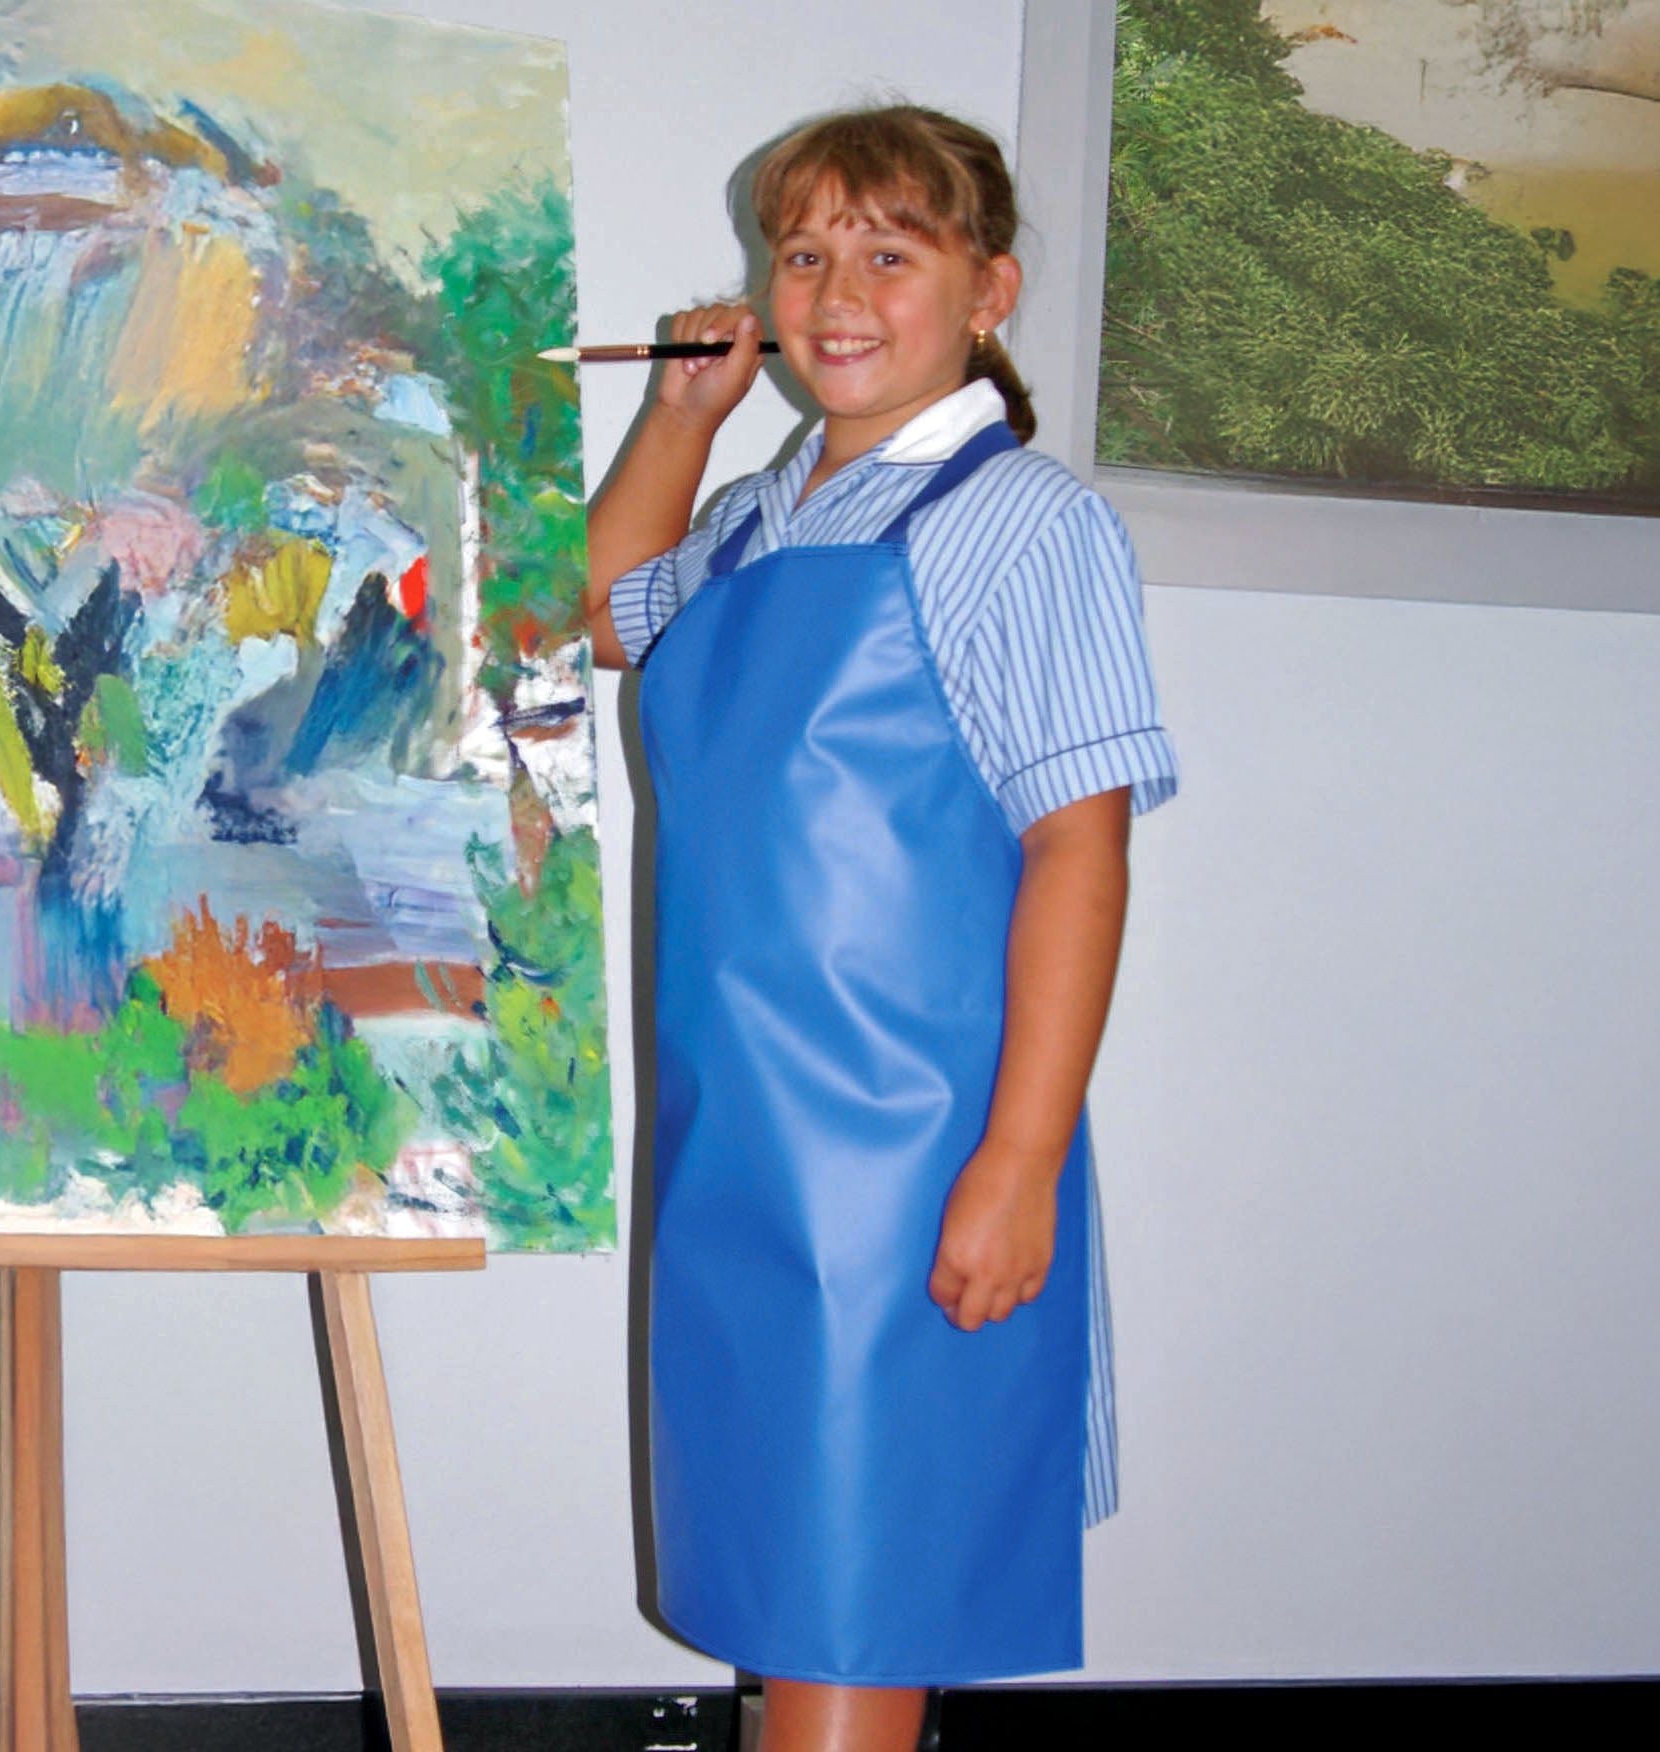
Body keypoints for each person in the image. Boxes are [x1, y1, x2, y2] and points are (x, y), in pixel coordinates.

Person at [584, 105, 1177, 1752]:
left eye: (889, 253)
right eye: (804, 255)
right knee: (787, 1580)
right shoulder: (765, 518)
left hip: (906, 1159)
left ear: (988, 289)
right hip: (744, 1154)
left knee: (856, 1592)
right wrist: (684, 414)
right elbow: (612, 611)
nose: (838, 293)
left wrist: (1020, 1163)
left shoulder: (1022, 524)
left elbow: (1080, 850)